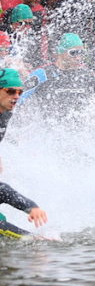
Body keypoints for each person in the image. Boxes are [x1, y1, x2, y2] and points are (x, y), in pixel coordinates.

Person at [0, 67, 47, 238]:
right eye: (11, 91)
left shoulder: (5, 113)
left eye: (20, 92)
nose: (16, 96)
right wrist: (31, 239)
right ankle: (32, 240)